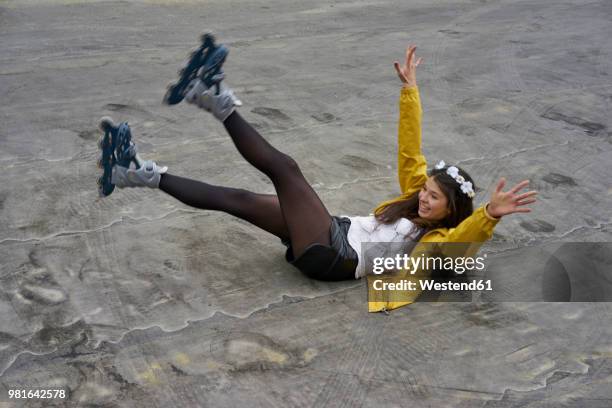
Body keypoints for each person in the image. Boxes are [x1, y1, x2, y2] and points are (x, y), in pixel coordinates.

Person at [101, 44, 537, 312]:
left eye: (435, 199)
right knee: (235, 198)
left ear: (451, 211)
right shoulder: (414, 198)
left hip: (335, 254)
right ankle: (137, 174)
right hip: (334, 233)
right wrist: (410, 91)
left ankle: (212, 99)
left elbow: (466, 239)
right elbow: (411, 149)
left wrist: (490, 216)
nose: (424, 198)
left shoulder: (438, 242)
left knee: (285, 169)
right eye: (426, 190)